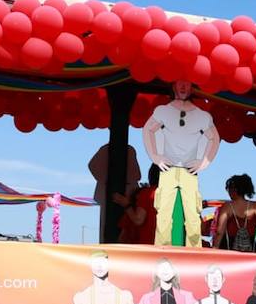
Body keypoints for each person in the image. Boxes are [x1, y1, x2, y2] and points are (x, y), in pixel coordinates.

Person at [142, 81, 221, 247]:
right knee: (163, 213)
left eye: (187, 84)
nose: (183, 87)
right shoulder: (163, 111)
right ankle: (161, 249)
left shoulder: (201, 115)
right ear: (174, 87)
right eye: (180, 84)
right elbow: (148, 129)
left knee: (193, 214)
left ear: (192, 88)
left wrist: (204, 161)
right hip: (168, 169)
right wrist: (156, 157)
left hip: (189, 170)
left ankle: (194, 251)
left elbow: (214, 137)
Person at [88, 142, 139, 242]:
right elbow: (137, 174)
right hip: (113, 195)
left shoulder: (127, 149)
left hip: (119, 194)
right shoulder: (128, 150)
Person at [212, 174, 256, 252]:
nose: (228, 191)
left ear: (234, 189)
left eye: (229, 188)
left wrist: (214, 249)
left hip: (229, 251)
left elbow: (219, 232)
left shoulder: (227, 206)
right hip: (250, 252)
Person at [120, 164, 160, 245]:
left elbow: (139, 220)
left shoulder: (147, 193)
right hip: (167, 246)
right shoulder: (172, 195)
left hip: (147, 246)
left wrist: (127, 205)